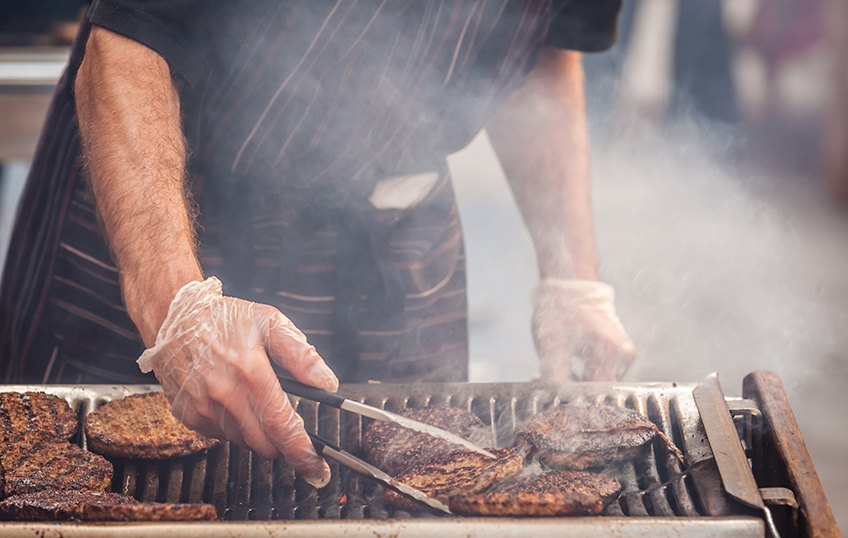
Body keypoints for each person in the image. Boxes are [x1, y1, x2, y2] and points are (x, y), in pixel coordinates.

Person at [0, 0, 635, 487]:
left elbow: (545, 41)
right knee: (87, 482)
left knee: (418, 484)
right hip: (174, 209)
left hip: (398, 238)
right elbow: (126, 44)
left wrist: (572, 279)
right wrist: (178, 308)